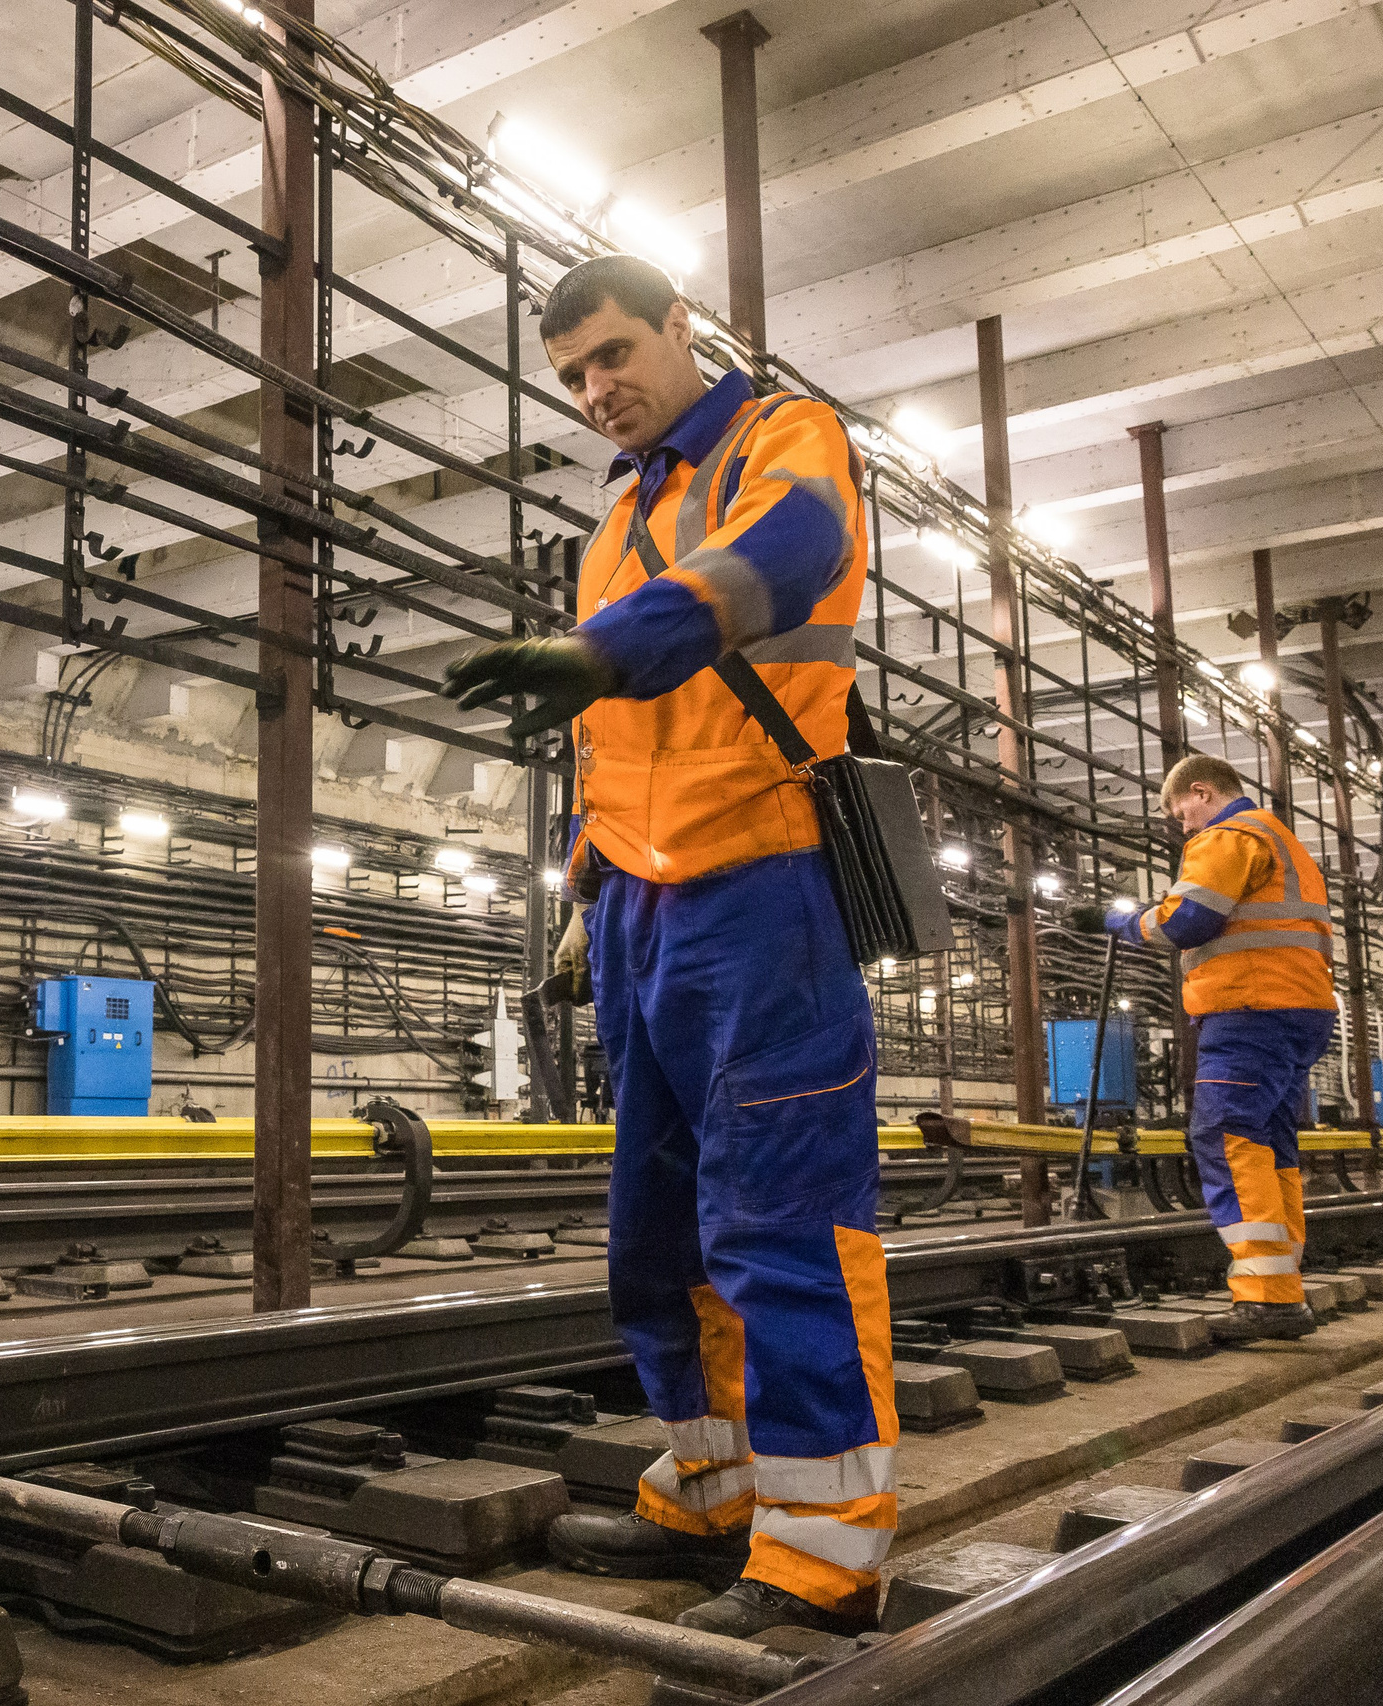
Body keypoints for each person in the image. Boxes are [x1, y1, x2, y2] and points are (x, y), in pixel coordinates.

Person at [441, 255, 893, 1637]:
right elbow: (615, 748)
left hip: (763, 881)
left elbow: (790, 553)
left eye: (618, 354)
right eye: (574, 373)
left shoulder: (781, 439)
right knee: (655, 1221)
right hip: (638, 907)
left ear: (683, 329)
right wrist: (584, 893)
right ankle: (714, 1482)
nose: (599, 390)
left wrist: (612, 644)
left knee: (779, 1209)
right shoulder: (612, 520)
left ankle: (823, 1548)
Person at [1095, 754, 1333, 1341]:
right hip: (1300, 1009)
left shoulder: (1227, 835)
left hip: (1250, 1008)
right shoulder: (1284, 841)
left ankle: (1267, 1297)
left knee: (1224, 1134)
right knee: (1269, 1142)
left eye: (1181, 813)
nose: (1183, 828)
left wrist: (1117, 922)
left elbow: (1187, 923)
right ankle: (1282, 1287)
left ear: (1202, 792)